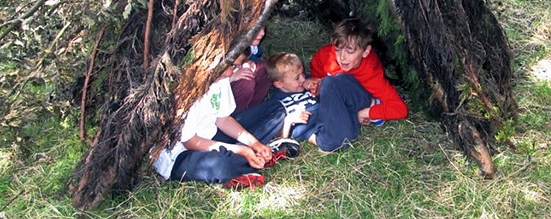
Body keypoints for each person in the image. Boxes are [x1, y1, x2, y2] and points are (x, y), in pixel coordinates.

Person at [151, 50, 296, 190]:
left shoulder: (222, 79)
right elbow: (190, 142)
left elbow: (223, 120)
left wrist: (254, 143)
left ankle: (254, 157)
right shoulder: (187, 90)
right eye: (233, 66)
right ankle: (251, 161)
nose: (234, 71)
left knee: (275, 110)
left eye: (238, 66)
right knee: (218, 164)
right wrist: (241, 150)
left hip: (213, 135)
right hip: (181, 155)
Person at [308, 17, 408, 151]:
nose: (342, 57)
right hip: (338, 92)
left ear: (366, 51)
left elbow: (400, 109)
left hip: (359, 94)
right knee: (327, 87)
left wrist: (365, 113)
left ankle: (370, 105)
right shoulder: (325, 55)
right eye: (338, 49)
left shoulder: (371, 75)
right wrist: (315, 83)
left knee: (332, 83)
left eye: (350, 51)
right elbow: (318, 70)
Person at [265, 52, 320, 142]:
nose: (303, 79)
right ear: (279, 84)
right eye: (297, 78)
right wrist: (289, 121)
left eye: (302, 73)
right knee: (299, 131)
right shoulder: (277, 102)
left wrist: (317, 85)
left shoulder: (307, 81)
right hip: (309, 127)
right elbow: (278, 136)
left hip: (326, 112)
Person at [230, 26, 273, 114]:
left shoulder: (249, 47)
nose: (262, 33)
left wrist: (247, 62)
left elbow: (248, 56)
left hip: (237, 71)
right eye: (257, 28)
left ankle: (251, 110)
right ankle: (236, 116)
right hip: (224, 86)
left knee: (268, 68)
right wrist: (232, 77)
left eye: (263, 27)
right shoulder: (226, 44)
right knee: (246, 81)